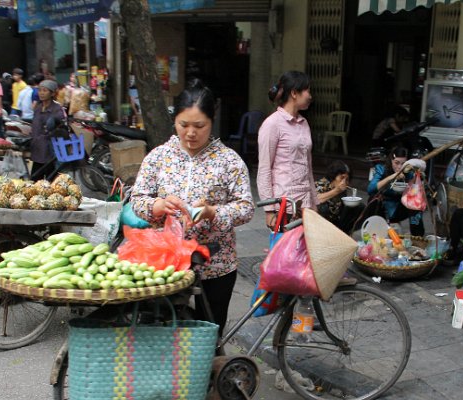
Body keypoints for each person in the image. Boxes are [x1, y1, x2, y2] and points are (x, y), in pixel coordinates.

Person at [129, 80, 254, 334]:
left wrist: (212, 212)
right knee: (164, 329)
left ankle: (207, 370)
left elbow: (246, 208)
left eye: (199, 126)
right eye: (183, 125)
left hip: (217, 262)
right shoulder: (159, 157)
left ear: (212, 121)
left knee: (210, 331)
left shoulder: (229, 161)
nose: (190, 133)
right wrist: (159, 205)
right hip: (164, 263)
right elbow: (137, 200)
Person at [257, 71, 316, 229]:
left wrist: (314, 202)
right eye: (307, 91)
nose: (310, 96)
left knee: (304, 251)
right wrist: (269, 210)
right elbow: (264, 168)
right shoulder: (272, 124)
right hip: (283, 205)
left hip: (305, 203)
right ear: (294, 93)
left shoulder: (304, 123)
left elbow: (308, 167)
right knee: (285, 251)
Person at [367, 144, 425, 236]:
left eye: (403, 164)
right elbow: (370, 189)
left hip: (400, 208)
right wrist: (392, 176)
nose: (399, 167)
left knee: (415, 205)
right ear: (391, 160)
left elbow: (417, 194)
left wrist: (414, 179)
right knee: (373, 199)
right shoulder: (381, 169)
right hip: (383, 209)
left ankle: (418, 239)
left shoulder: (410, 172)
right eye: (396, 163)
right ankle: (374, 234)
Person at [29, 79, 67, 179]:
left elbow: (62, 121)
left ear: (52, 93)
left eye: (45, 90)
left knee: (51, 181)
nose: (41, 93)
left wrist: (54, 119)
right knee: (35, 179)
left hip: (49, 150)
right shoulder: (37, 108)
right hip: (37, 148)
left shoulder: (56, 108)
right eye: (40, 90)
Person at [316, 160, 362, 234]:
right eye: (342, 177)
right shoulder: (321, 184)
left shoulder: (342, 190)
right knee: (323, 207)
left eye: (347, 179)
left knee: (359, 207)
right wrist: (336, 191)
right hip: (321, 224)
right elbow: (316, 199)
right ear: (334, 176)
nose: (344, 182)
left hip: (336, 221)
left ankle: (345, 234)